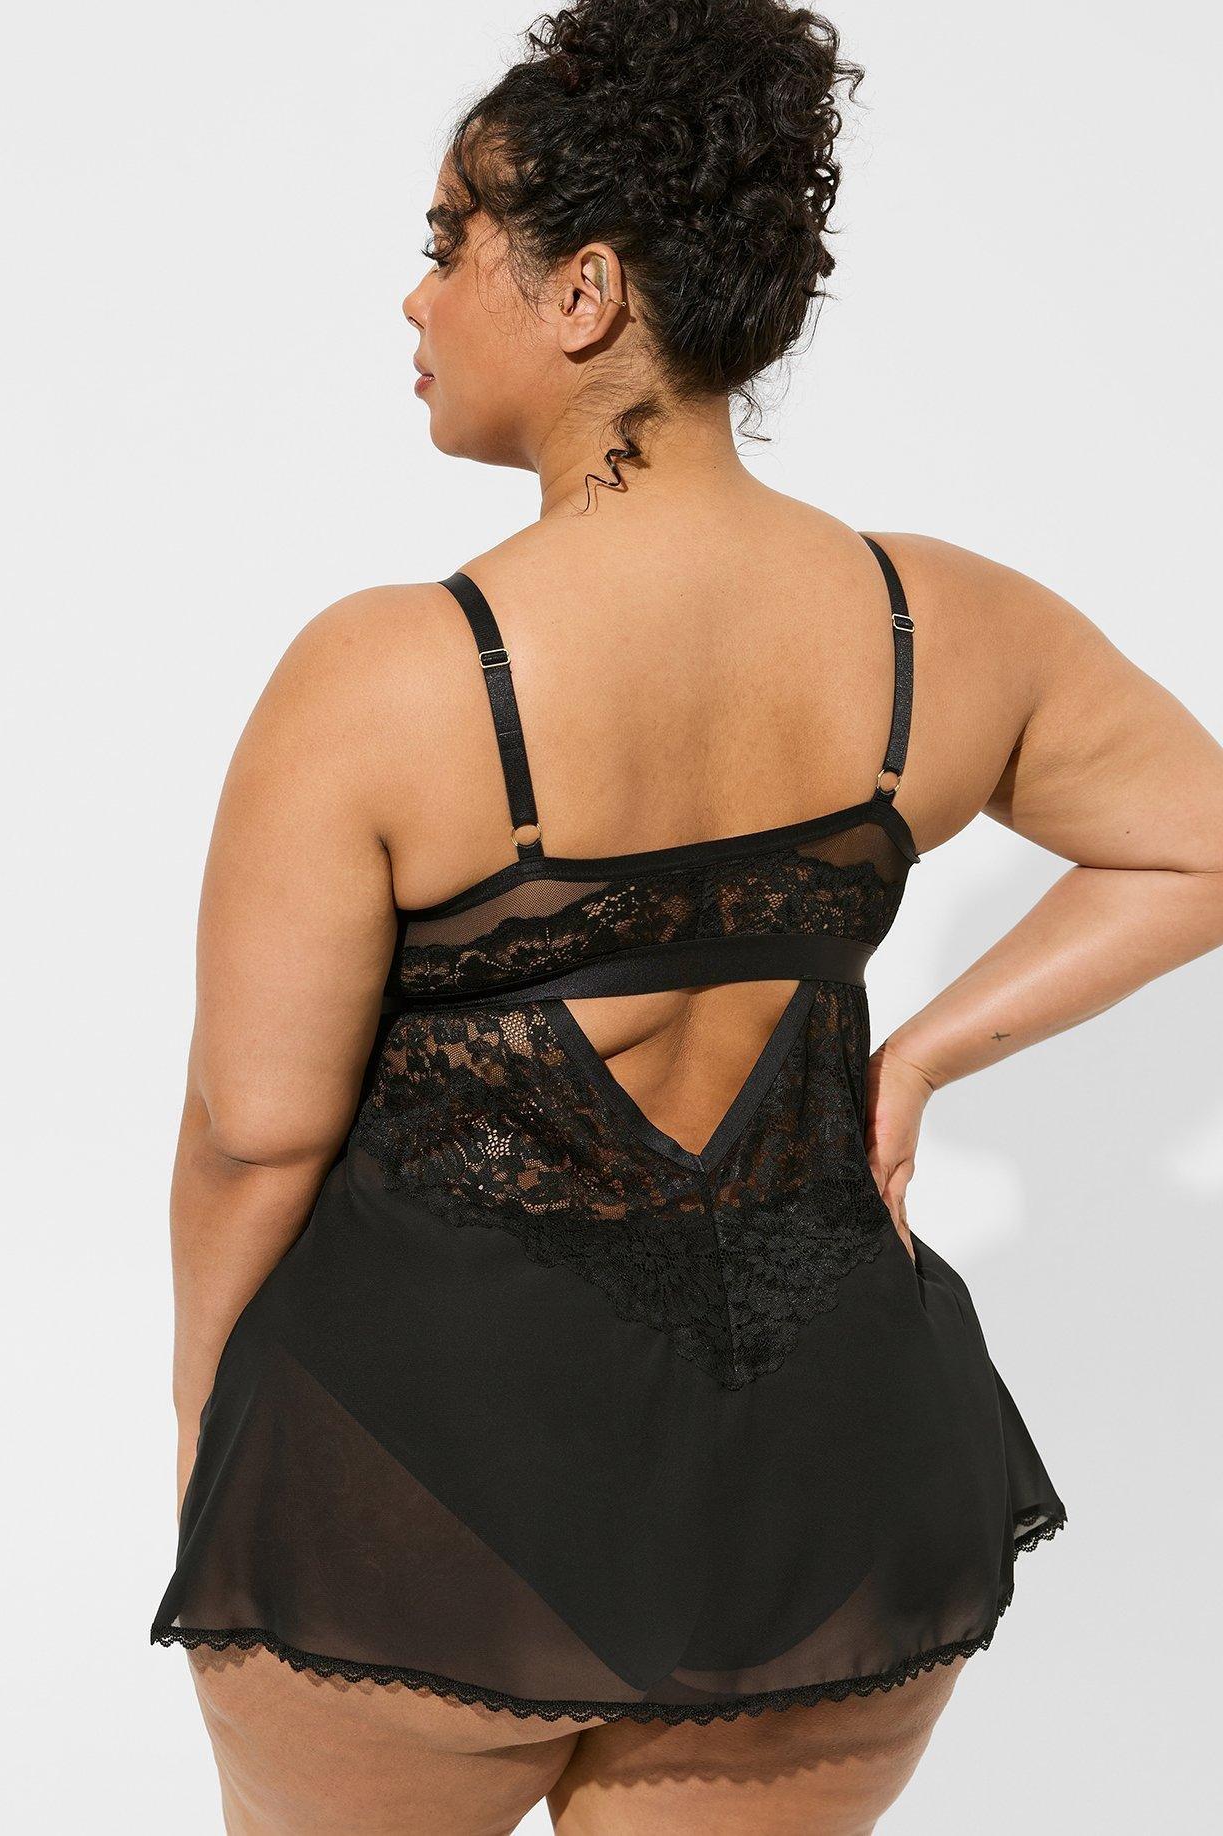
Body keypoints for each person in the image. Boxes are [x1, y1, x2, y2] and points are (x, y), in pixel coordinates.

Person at [150, 2, 1223, 1829]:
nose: (416, 295)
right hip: (823, 1499)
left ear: (582, 292)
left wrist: (219, 1448)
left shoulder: (386, 677)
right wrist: (917, 1058)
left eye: (448, 241)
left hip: (418, 1489)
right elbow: (1196, 839)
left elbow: (253, 1140)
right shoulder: (942, 627)